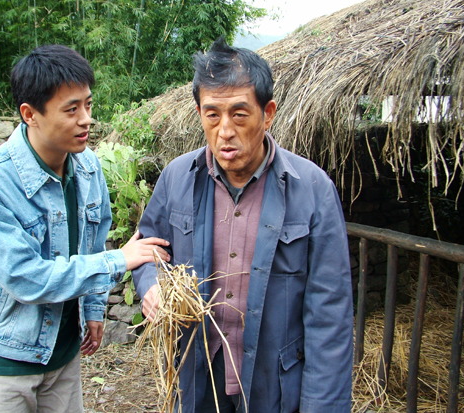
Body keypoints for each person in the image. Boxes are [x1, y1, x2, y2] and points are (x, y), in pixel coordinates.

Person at [133, 37, 353, 413]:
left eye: (239, 114)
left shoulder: (312, 189)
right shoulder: (176, 179)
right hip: (197, 373)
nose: (224, 130)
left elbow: (329, 314)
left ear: (267, 114)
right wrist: (152, 286)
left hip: (275, 383)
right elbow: (147, 250)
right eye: (212, 114)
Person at [0, 44, 170, 413]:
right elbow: (25, 277)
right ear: (30, 114)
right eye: (71, 109)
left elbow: (93, 238)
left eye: (87, 104)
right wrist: (118, 260)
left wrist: (93, 308)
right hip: (3, 363)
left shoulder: (87, 166)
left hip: (63, 355)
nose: (86, 118)